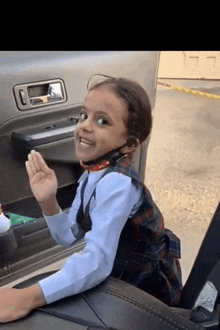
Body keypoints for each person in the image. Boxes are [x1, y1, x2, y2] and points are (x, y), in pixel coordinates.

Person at [0, 75, 182, 323]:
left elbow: (97, 262)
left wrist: (28, 296)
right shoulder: (93, 174)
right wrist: (48, 201)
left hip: (147, 285)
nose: (84, 125)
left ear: (128, 144)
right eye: (83, 115)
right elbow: (67, 236)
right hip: (117, 271)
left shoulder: (117, 185)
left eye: (102, 121)